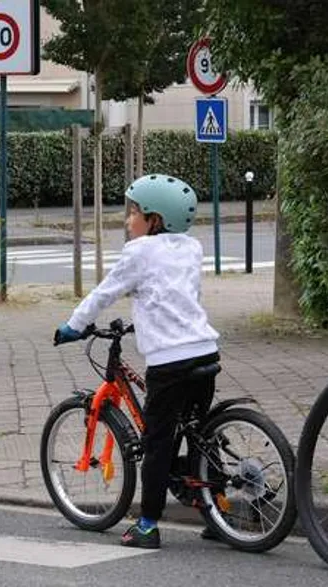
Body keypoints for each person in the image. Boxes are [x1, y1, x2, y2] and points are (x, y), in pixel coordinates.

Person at [53, 174, 221, 549]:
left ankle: (147, 525)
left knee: (158, 441)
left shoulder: (139, 252)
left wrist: (73, 326)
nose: (128, 219)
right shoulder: (191, 247)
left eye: (134, 212)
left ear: (155, 220)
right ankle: (215, 508)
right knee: (198, 432)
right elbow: (176, 294)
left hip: (170, 361)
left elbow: (105, 292)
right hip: (205, 351)